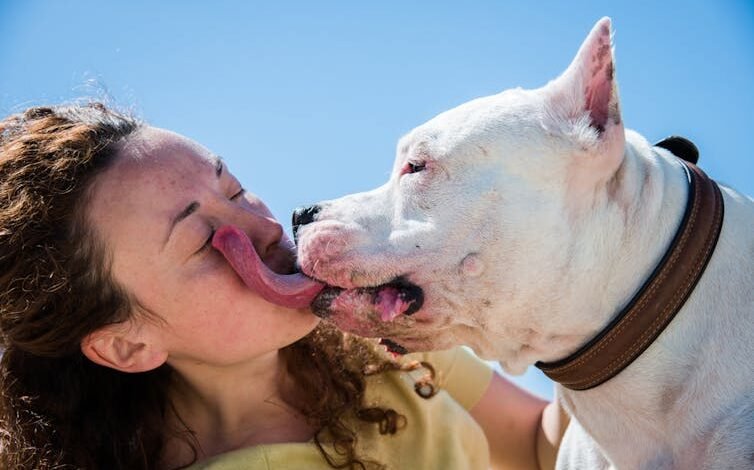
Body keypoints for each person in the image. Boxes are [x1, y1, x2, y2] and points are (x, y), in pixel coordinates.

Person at [0, 102, 568, 469]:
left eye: (236, 188)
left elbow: (542, 449)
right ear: (127, 346)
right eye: (204, 242)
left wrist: (579, 308)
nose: (267, 228)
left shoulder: (378, 343)